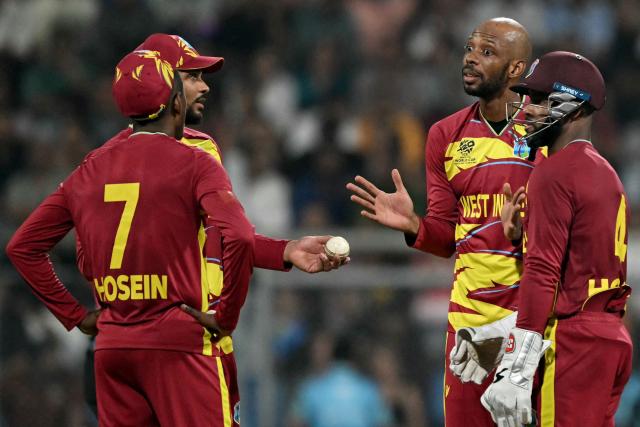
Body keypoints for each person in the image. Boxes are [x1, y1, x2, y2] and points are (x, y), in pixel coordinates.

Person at [78, 34, 349, 422]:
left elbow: (221, 234)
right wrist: (223, 314)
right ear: (163, 84)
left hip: (140, 340)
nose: (205, 86)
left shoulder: (109, 160)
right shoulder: (187, 156)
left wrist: (283, 251)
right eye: (191, 77)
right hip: (182, 343)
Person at [347, 17, 533, 426]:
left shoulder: (545, 129)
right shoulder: (444, 135)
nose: (470, 59)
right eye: (470, 48)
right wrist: (414, 225)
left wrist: (528, 227)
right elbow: (446, 237)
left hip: (531, 324)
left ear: (516, 69)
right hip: (469, 323)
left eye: (487, 52)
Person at [481, 51, 633, 427]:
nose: (528, 109)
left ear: (575, 107)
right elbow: (577, 261)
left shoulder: (555, 171)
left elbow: (544, 271)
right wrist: (521, 237)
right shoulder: (605, 171)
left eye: (542, 99)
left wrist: (517, 367)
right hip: (609, 337)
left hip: (573, 341)